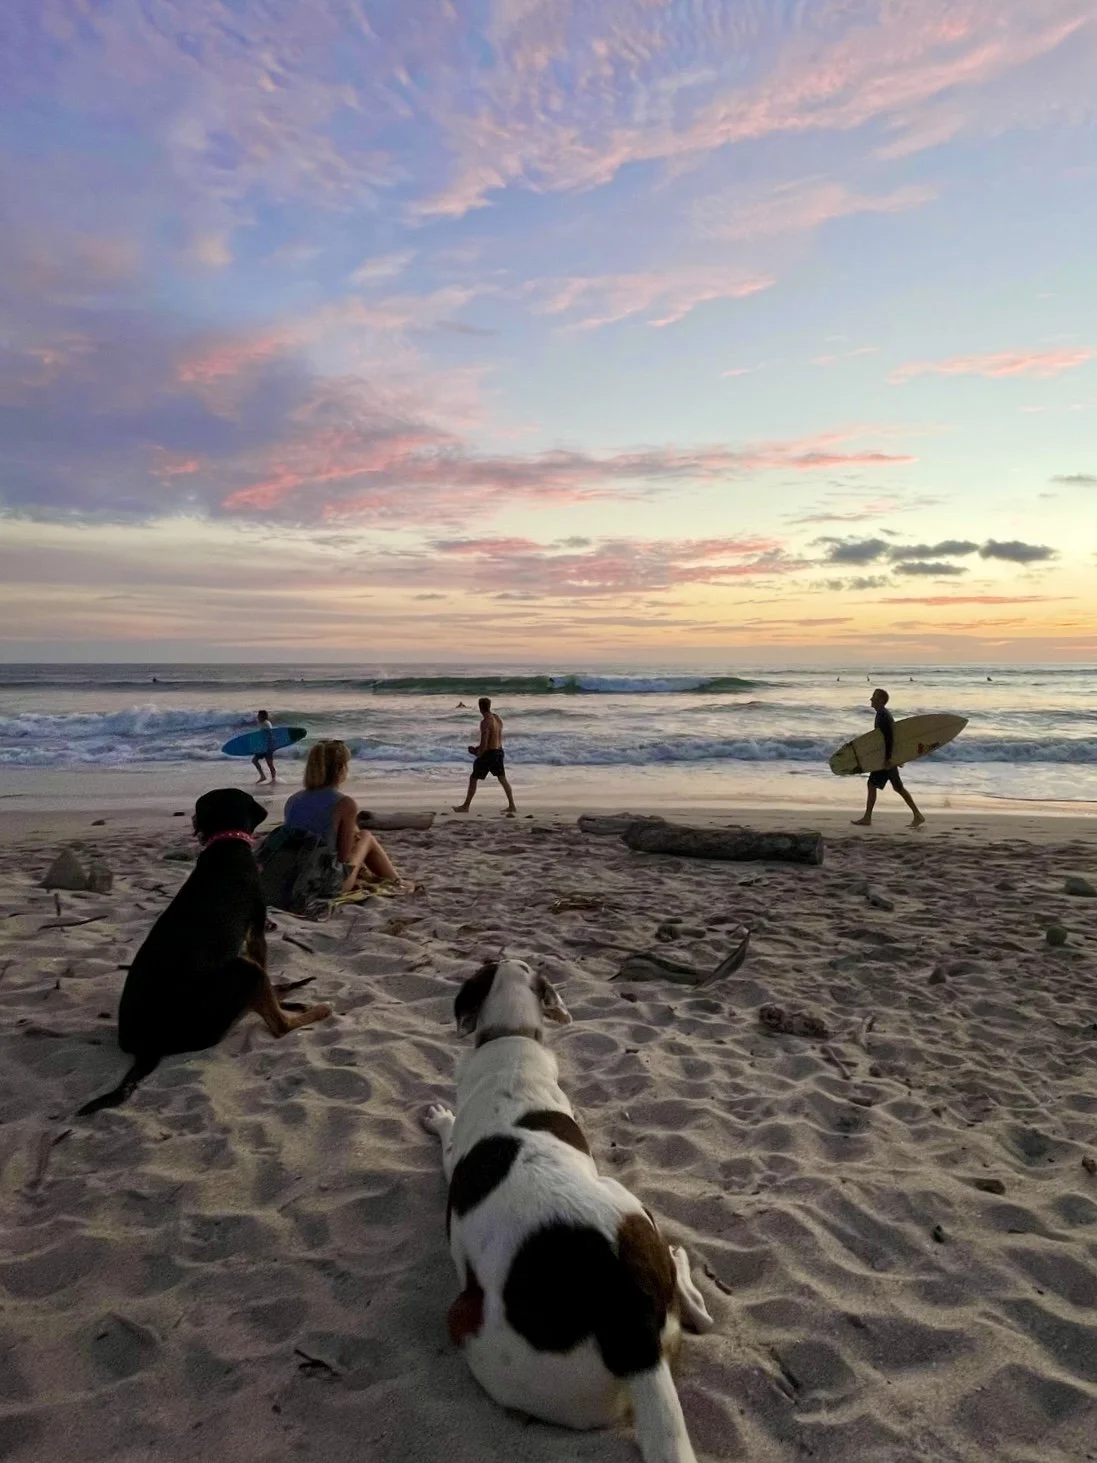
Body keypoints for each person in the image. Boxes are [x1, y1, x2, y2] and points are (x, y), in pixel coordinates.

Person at [283, 740, 408, 892]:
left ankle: (386, 879)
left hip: (293, 879)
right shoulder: (344, 803)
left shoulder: (293, 800)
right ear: (341, 768)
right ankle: (397, 882)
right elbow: (344, 858)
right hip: (326, 884)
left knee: (353, 833)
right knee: (365, 836)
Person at [852, 688, 925, 829]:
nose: (871, 699)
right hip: (890, 758)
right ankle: (917, 815)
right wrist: (896, 757)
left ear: (880, 700)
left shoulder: (882, 716)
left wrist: (887, 759)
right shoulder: (883, 714)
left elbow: (889, 739)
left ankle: (867, 818)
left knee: (872, 784)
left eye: (874, 697)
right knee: (898, 787)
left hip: (886, 760)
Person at [454, 696, 517, 815]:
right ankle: (512, 805)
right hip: (499, 751)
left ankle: (465, 806)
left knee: (473, 778)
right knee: (503, 779)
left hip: (489, 754)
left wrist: (476, 752)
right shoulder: (497, 718)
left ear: (480, 707)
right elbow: (494, 738)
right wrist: (479, 748)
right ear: (489, 706)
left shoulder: (485, 722)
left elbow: (485, 743)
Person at [252, 709, 277, 785]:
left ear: (262, 716)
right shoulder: (263, 723)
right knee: (255, 761)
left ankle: (273, 779)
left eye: (259, 715)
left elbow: (269, 735)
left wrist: (269, 747)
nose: (257, 717)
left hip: (267, 747)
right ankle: (263, 776)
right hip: (264, 747)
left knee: (269, 764)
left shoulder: (266, 724)